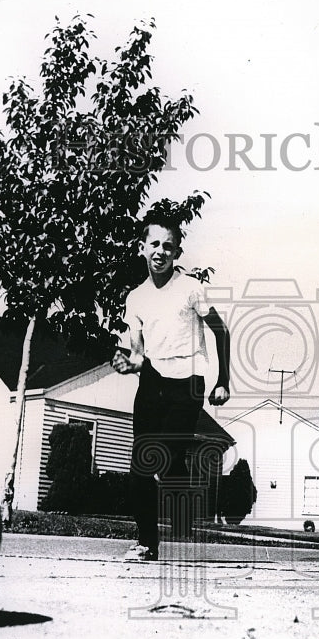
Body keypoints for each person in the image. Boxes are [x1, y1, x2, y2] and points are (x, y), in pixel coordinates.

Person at [112, 220, 231, 560]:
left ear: (177, 252)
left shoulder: (190, 288)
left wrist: (223, 380)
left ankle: (178, 468)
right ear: (142, 247)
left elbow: (220, 331)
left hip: (188, 380)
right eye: (154, 244)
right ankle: (147, 544)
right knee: (140, 468)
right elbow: (136, 351)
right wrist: (128, 362)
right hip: (151, 381)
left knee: (165, 456)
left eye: (168, 246)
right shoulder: (135, 298)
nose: (160, 252)